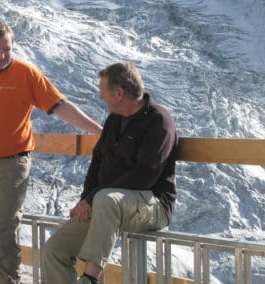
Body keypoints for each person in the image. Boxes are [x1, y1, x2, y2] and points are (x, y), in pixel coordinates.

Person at [0, 21, 102, 284]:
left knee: (2, 234)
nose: (1, 55)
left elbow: (60, 106)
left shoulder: (26, 74)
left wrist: (98, 131)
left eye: (7, 49)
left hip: (11, 166)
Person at [42, 62, 178, 284]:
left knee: (105, 199)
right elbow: (97, 163)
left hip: (151, 204)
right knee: (55, 250)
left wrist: (95, 198)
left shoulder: (159, 121)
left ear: (119, 92)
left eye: (103, 90)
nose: (100, 95)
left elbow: (146, 174)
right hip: (108, 205)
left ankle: (90, 277)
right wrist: (86, 200)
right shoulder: (114, 120)